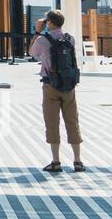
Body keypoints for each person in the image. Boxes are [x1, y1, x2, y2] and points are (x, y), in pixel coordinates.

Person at [29, 9, 83, 173]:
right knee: (72, 122)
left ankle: (56, 161)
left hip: (50, 85)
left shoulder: (42, 40)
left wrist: (38, 31)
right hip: (69, 85)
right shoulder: (70, 39)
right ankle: (77, 161)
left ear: (50, 22)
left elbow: (31, 52)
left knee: (52, 123)